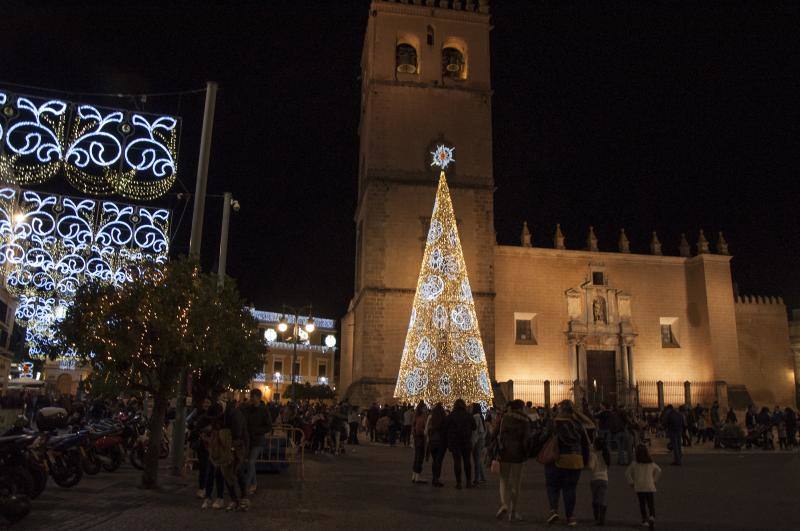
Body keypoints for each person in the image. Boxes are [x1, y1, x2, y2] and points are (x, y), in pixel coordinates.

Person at [544, 400, 590, 527]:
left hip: (556, 459)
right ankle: (570, 517)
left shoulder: (554, 423)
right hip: (575, 460)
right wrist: (585, 461)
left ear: (560, 410)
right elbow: (585, 444)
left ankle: (553, 510)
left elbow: (543, 437)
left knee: (552, 486)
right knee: (570, 489)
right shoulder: (578, 424)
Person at [495, 400, 530, 522]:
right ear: (521, 408)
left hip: (504, 453)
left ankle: (504, 504)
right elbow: (526, 440)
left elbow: (495, 433)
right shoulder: (525, 420)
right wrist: (527, 453)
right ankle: (513, 512)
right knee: (516, 484)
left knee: (503, 480)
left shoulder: (504, 418)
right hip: (518, 455)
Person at [240, 389, 271, 495]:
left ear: (258, 397)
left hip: (258, 440)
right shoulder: (248, 409)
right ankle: (254, 483)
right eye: (251, 396)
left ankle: (246, 487)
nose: (251, 398)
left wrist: (257, 431)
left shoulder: (264, 410)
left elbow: (268, 426)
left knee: (251, 462)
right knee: (250, 464)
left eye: (253, 396)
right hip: (248, 440)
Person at [626, 444, 661, 529]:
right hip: (649, 485)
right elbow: (659, 470)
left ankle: (644, 520)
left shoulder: (634, 464)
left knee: (642, 503)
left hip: (639, 486)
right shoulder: (651, 463)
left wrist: (631, 482)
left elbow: (627, 473)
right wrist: (655, 480)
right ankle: (652, 516)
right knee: (650, 503)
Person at [443, 399, 476, 489]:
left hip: (455, 442)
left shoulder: (451, 415)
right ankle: (468, 482)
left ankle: (459, 483)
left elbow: (445, 426)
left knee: (457, 462)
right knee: (467, 462)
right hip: (466, 442)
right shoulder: (468, 415)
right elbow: (474, 427)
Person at [588, 436, 610, 526]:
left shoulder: (593, 455)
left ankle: (596, 517)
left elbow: (591, 467)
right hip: (604, 478)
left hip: (595, 478)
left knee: (595, 499)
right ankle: (602, 518)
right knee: (603, 499)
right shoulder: (606, 454)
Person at [426, 403, 447, 487]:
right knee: (439, 461)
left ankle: (434, 478)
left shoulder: (431, 418)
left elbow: (426, 430)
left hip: (432, 442)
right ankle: (436, 478)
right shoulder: (444, 419)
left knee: (434, 461)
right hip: (441, 442)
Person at [411, 401, 428, 483]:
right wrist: (424, 432)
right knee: (419, 457)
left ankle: (414, 475)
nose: (426, 409)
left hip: (417, 439)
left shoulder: (416, 417)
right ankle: (417, 476)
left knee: (417, 456)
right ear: (422, 409)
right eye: (425, 408)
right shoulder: (421, 418)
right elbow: (419, 430)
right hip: (420, 439)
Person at [471, 403, 487, 486]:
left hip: (477, 440)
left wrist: (473, 442)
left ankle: (477, 478)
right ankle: (482, 477)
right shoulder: (480, 416)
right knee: (478, 459)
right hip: (481, 439)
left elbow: (475, 430)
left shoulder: (475, 417)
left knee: (476, 460)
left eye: (471, 407)